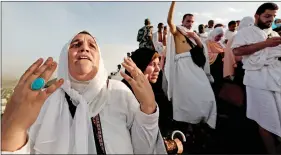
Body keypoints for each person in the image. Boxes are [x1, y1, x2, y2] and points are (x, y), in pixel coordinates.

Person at [1, 31, 167, 154]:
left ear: (99, 59)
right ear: (65, 57)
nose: (84, 49)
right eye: (76, 45)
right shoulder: (44, 99)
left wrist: (149, 106)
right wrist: (14, 128)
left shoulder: (119, 93)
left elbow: (145, 149)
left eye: (92, 45)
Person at [232, 2, 281, 153]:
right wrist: (265, 44)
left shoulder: (273, 33)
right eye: (267, 16)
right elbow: (237, 51)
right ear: (257, 16)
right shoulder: (245, 32)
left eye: (273, 17)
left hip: (276, 77)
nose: (270, 20)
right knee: (265, 119)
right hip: (257, 80)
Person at [166, 1, 217, 133]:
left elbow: (201, 49)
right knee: (187, 96)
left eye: (192, 21)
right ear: (182, 21)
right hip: (183, 66)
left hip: (195, 66)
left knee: (205, 92)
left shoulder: (193, 34)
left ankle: (203, 120)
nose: (190, 23)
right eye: (188, 21)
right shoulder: (177, 31)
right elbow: (169, 20)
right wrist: (173, 2)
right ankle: (189, 124)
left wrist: (196, 37)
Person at [204, 27, 225, 97]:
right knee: (213, 83)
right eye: (218, 36)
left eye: (221, 36)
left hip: (220, 67)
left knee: (219, 84)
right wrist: (220, 54)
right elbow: (207, 55)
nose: (219, 38)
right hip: (212, 67)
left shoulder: (220, 43)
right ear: (214, 34)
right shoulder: (207, 42)